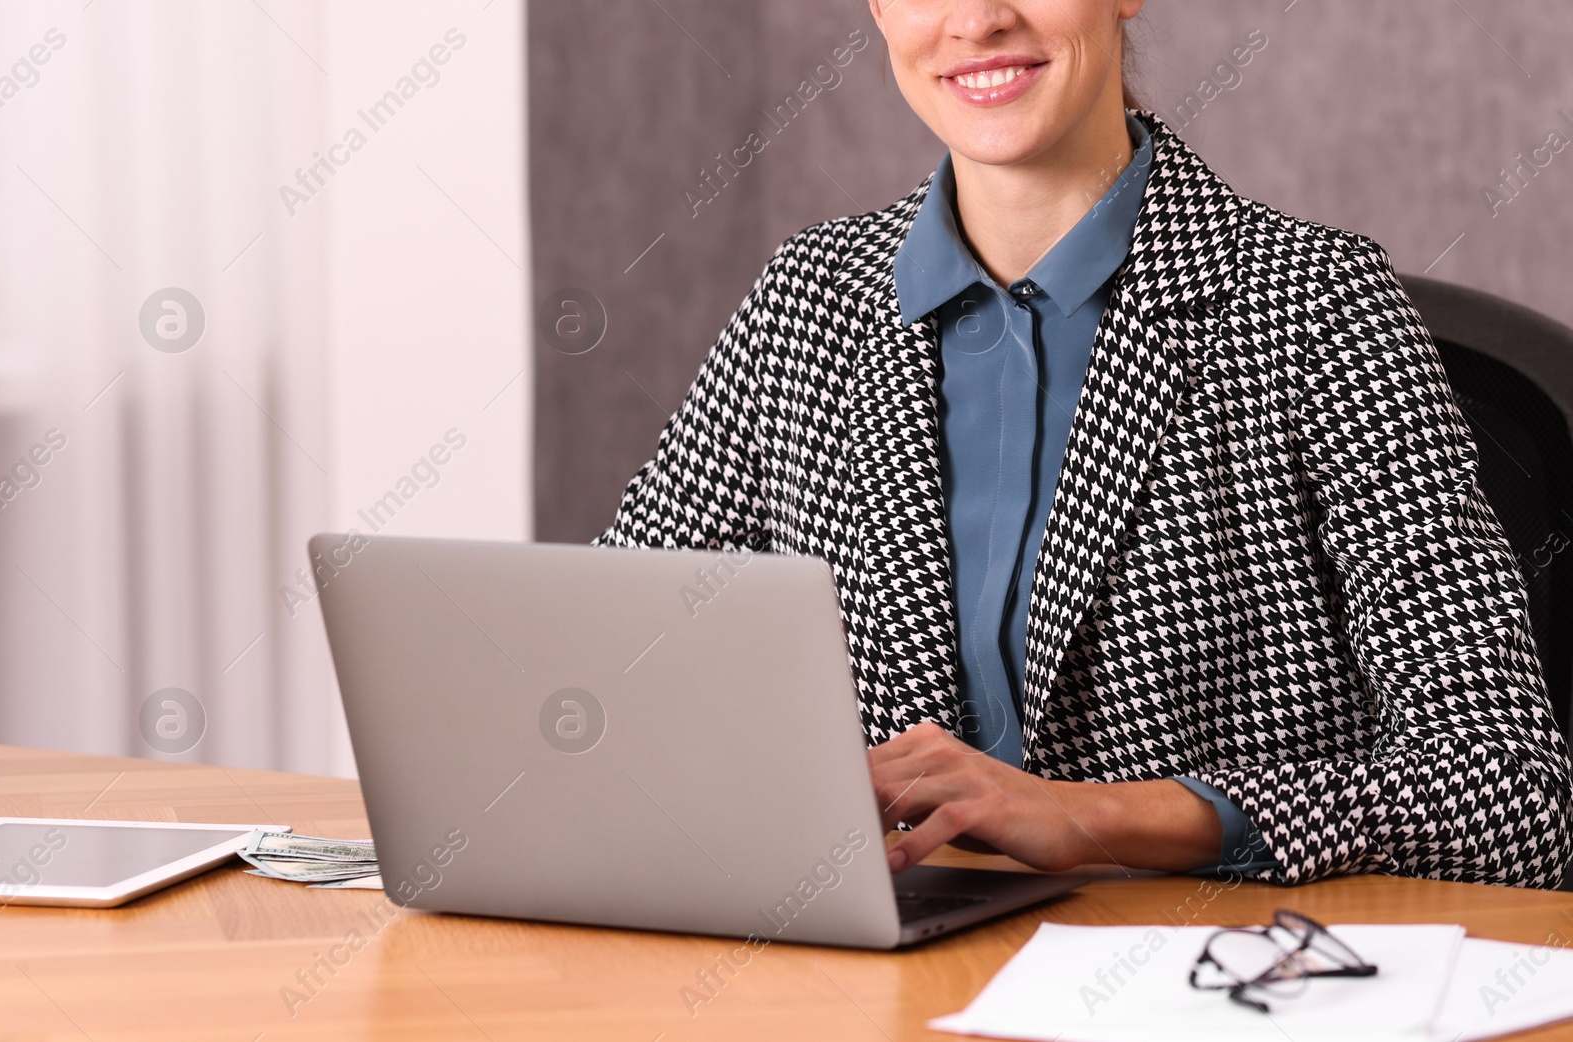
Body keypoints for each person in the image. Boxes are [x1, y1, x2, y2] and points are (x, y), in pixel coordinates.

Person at [598, 0, 1573, 888]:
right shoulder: (806, 302)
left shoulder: (1318, 308)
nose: (975, 20)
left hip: (1196, 983)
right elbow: (610, 681)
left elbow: (1511, 793)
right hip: (876, 980)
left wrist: (1095, 816)